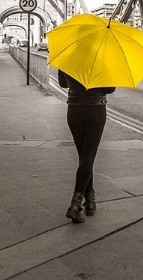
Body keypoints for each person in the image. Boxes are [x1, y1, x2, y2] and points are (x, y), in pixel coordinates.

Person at [58, 69, 115, 223]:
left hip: (74, 110)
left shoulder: (68, 55)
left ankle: (90, 202)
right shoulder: (102, 59)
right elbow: (110, 89)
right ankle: (75, 205)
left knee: (84, 157)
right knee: (88, 157)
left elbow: (63, 84)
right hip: (95, 110)